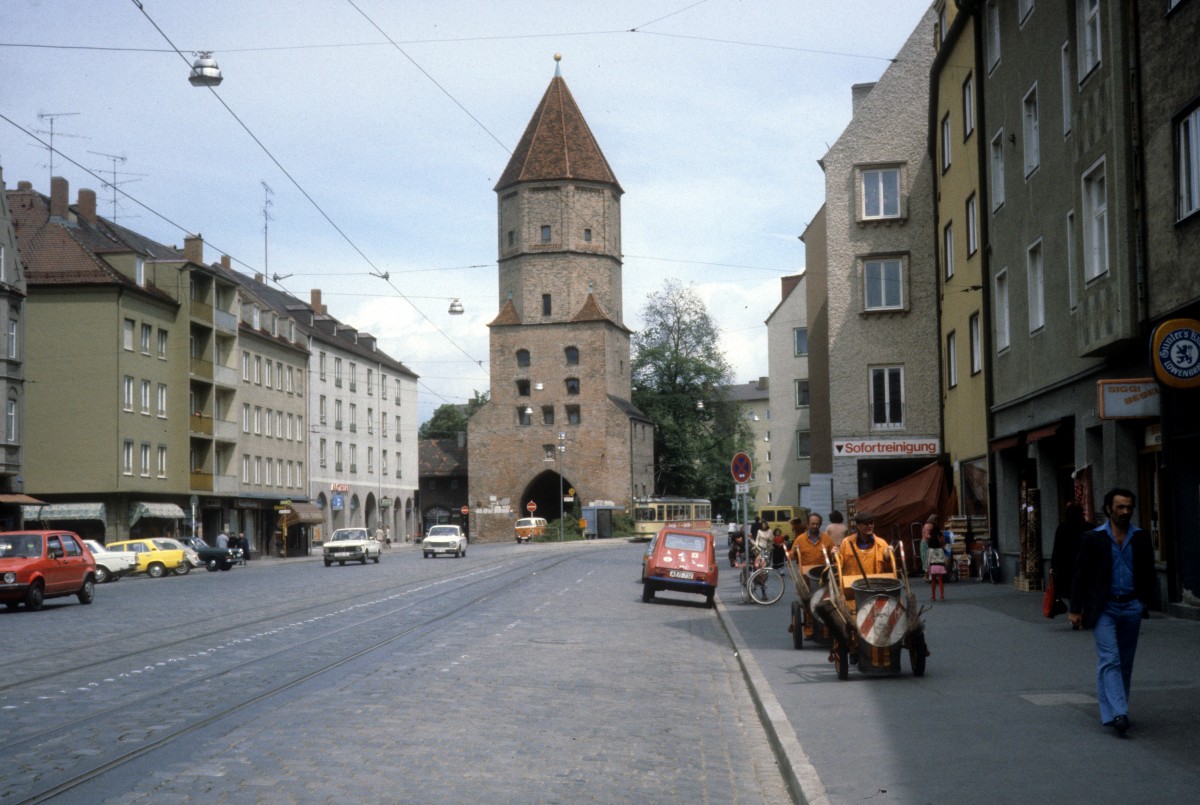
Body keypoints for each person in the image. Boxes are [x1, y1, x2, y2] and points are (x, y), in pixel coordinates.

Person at [1069, 488, 1156, 737]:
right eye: (1120, 507)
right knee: (1110, 659)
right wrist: (1075, 609)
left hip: (1131, 606)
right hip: (1104, 607)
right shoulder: (1093, 538)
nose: (1125, 512)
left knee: (1124, 662)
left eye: (1129, 507)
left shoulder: (1140, 537)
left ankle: (1117, 709)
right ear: (1109, 509)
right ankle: (1119, 713)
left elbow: (1148, 572)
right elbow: (1080, 575)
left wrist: (1143, 602)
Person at [1051, 501, 1094, 614]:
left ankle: (1076, 613)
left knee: (1072, 591)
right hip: (1086, 564)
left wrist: (1053, 566)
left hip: (1067, 566)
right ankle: (1084, 612)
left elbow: (1057, 548)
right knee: (1085, 589)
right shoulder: (1089, 527)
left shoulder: (1062, 528)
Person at [837, 511, 893, 575]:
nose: (870, 526)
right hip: (852, 583)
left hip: (875, 582)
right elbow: (839, 564)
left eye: (871, 523)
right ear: (858, 526)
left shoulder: (881, 544)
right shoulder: (847, 543)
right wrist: (834, 556)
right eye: (866, 523)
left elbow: (889, 570)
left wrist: (888, 558)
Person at [924, 527, 948, 602]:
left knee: (933, 581)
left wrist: (927, 569)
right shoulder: (941, 550)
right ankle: (942, 596)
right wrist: (946, 565)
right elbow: (944, 559)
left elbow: (928, 560)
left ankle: (933, 596)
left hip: (933, 566)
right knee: (940, 581)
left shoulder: (930, 550)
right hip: (940, 566)